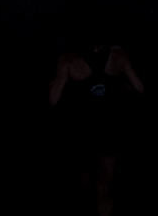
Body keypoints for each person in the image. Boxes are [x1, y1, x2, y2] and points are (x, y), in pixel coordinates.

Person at [49, 40, 145, 216]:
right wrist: (121, 87)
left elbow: (53, 99)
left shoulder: (69, 60)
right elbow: (140, 88)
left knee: (83, 180)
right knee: (105, 186)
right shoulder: (119, 55)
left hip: (82, 129)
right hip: (109, 129)